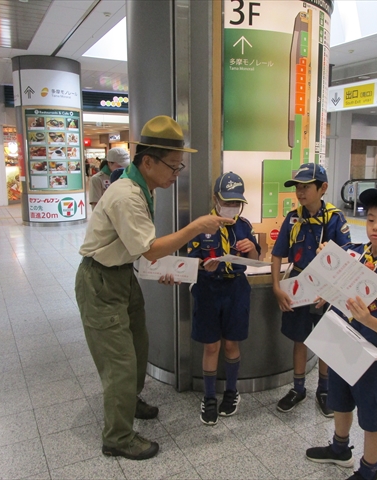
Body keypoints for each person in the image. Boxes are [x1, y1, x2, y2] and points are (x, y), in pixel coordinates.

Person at [75, 115, 233, 461]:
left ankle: (128, 403)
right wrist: (195, 227)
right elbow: (150, 247)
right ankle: (116, 436)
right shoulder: (126, 195)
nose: (177, 174)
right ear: (148, 161)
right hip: (100, 281)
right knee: (120, 361)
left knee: (138, 346)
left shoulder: (145, 186)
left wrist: (159, 266)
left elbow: (142, 247)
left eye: (179, 166)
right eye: (173, 167)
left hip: (122, 276)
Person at [305, 189, 377, 480]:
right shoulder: (353, 254)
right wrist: (326, 289)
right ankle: (340, 448)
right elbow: (339, 289)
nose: (375, 227)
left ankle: (369, 470)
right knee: (339, 402)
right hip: (340, 342)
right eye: (370, 220)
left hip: (373, 359)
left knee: (372, 418)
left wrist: (369, 319)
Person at [271, 163, 352, 416]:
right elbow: (277, 255)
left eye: (306, 187)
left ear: (323, 188)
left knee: (326, 339)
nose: (300, 192)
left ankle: (324, 390)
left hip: (326, 290)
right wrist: (276, 287)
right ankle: (298, 388)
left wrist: (331, 287)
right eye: (298, 187)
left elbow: (349, 260)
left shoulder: (335, 219)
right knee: (300, 338)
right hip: (298, 286)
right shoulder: (293, 218)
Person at [186, 172, 260, 426]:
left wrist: (252, 249)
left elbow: (256, 259)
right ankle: (208, 397)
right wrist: (201, 264)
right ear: (215, 199)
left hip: (236, 290)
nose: (231, 208)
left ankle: (231, 391)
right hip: (208, 289)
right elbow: (188, 260)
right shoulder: (201, 225)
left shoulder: (244, 226)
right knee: (211, 346)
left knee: (231, 344)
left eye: (236, 203)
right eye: (227, 202)